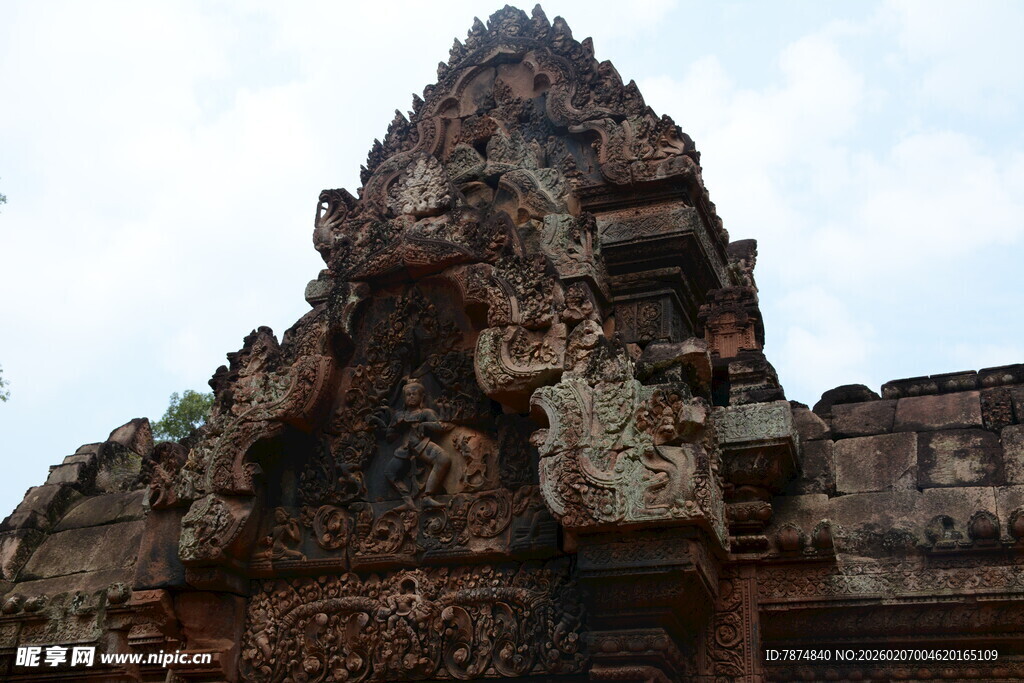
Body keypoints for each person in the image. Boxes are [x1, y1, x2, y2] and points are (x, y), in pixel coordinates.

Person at [383, 379, 451, 509]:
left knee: (444, 459)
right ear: (404, 398)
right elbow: (389, 437)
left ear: (422, 397)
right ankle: (408, 501)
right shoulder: (399, 415)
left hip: (421, 445)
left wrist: (424, 425)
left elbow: (440, 426)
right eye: (408, 394)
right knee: (389, 473)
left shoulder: (425, 413)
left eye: (415, 394)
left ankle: (427, 496)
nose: (411, 397)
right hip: (404, 450)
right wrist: (395, 426)